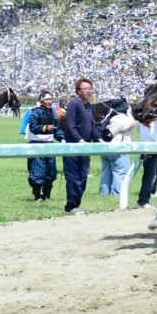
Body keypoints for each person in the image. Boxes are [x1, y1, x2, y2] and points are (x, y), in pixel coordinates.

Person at [63, 77, 96, 214]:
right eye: (85, 89)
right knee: (74, 178)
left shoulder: (88, 105)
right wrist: (79, 139)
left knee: (83, 177)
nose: (88, 91)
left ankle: (77, 205)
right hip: (73, 147)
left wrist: (99, 139)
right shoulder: (74, 104)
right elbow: (70, 125)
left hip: (85, 147)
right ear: (78, 91)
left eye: (90, 89)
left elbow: (92, 126)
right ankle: (71, 206)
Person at [26, 91, 64, 201]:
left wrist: (64, 138)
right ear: (41, 101)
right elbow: (33, 127)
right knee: (38, 171)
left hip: (50, 145)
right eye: (47, 99)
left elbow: (56, 130)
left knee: (51, 172)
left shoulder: (53, 112)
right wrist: (45, 128)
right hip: (37, 145)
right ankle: (37, 196)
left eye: (51, 99)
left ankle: (47, 196)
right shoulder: (35, 112)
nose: (49, 101)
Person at [99, 103, 137, 197]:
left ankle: (104, 194)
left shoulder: (107, 117)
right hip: (118, 149)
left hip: (104, 148)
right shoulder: (121, 118)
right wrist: (129, 114)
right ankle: (117, 194)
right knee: (120, 173)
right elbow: (133, 124)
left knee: (105, 172)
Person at [136, 117, 157, 209]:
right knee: (149, 176)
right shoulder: (147, 121)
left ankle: (147, 197)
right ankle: (142, 201)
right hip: (149, 149)